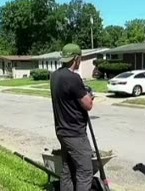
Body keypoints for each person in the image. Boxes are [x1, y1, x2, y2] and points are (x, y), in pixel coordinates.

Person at [50, 43, 95, 191]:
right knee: (85, 171)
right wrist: (90, 95)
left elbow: (69, 97)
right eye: (80, 58)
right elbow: (87, 105)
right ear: (76, 58)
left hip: (62, 130)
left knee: (67, 169)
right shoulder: (73, 78)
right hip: (75, 133)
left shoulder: (55, 76)